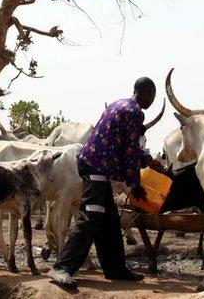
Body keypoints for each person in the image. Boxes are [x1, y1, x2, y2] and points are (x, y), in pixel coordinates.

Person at [48, 77, 165, 288]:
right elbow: (129, 151)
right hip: (96, 167)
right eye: (153, 96)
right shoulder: (135, 112)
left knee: (109, 219)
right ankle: (62, 267)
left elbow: (126, 144)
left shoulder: (117, 104)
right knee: (91, 217)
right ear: (147, 92)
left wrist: (148, 160)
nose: (152, 101)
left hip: (93, 163)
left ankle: (115, 268)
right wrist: (136, 185)